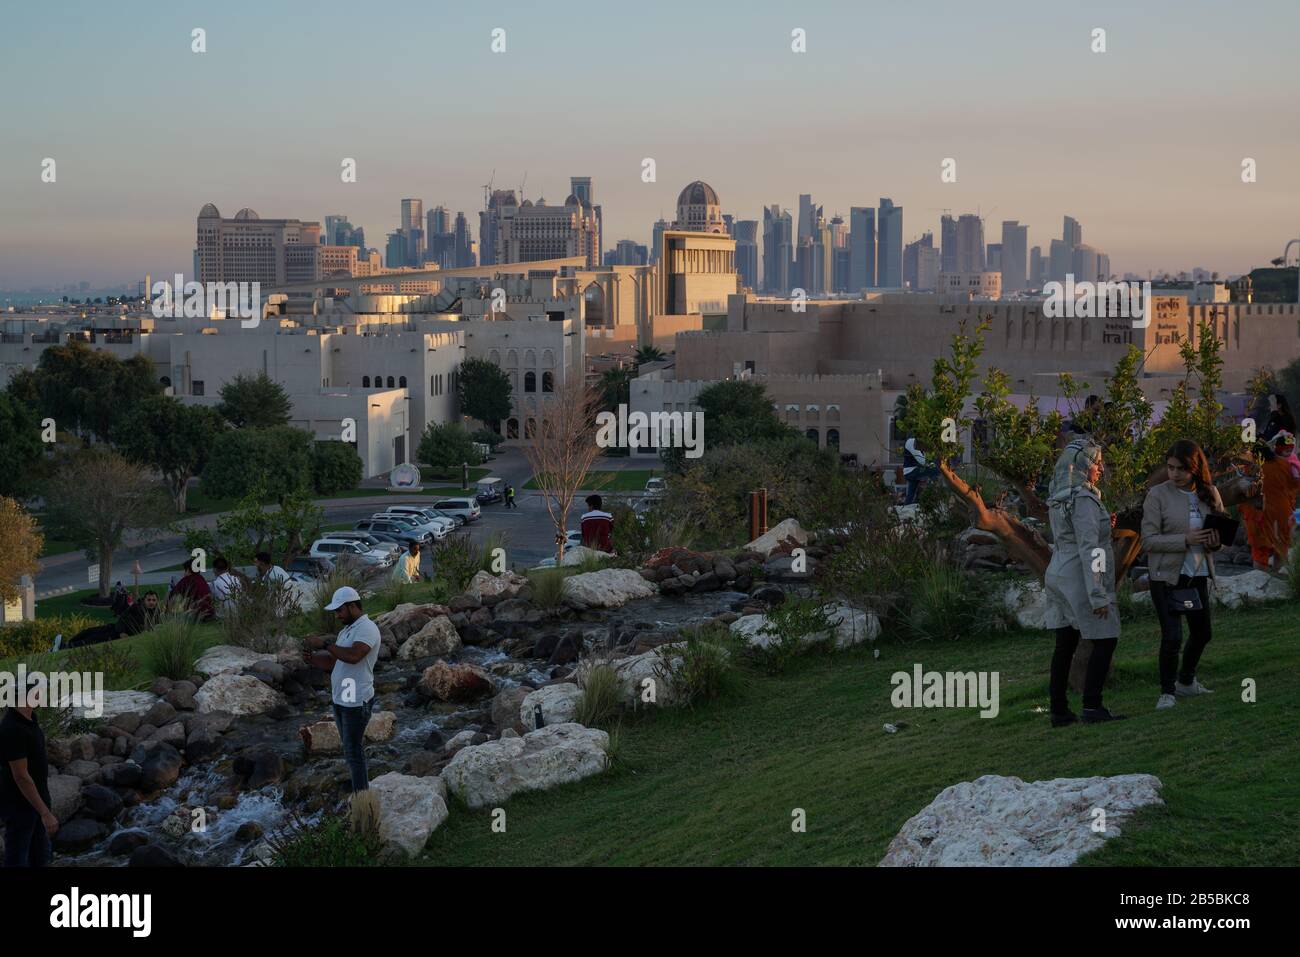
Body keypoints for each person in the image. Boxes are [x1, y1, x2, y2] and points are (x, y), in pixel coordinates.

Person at [1042, 439, 1124, 726]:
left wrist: (1103, 525)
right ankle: (1092, 705)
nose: (1100, 468)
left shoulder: (1059, 496)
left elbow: (1073, 534)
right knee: (1106, 636)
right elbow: (1091, 549)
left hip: (1057, 572)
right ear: (1083, 465)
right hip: (1078, 575)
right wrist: (1098, 593)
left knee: (1065, 643)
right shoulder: (1084, 499)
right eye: (1096, 462)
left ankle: (1059, 710)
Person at [1141, 439, 1225, 711]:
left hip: (1197, 573)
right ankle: (1167, 692)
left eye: (1180, 469)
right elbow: (1148, 540)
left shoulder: (1210, 492)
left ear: (1195, 469)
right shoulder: (1157, 495)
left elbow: (1219, 535)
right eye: (1170, 467)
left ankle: (1186, 682)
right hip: (1166, 575)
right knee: (1172, 636)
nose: (1173, 473)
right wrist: (1185, 539)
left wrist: (1214, 541)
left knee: (1202, 633)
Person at [302, 587, 380, 792]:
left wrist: (325, 643)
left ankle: (361, 797)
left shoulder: (367, 628)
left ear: (353, 606)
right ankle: (359, 790)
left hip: (356, 699)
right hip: (342, 697)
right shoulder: (346, 631)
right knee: (349, 749)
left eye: (340, 610)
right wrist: (312, 659)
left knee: (353, 751)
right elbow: (334, 663)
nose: (337, 615)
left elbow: (354, 656)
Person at [1, 675, 57, 867]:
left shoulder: (30, 719)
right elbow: (21, 776)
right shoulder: (12, 728)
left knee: (40, 858)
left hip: (38, 800)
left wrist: (43, 806)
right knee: (17, 859)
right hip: (20, 807)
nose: (44, 694)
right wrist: (45, 813)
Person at [1240, 431, 1300, 571]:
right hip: (1282, 513)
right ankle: (1277, 582)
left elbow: (1242, 491)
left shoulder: (1251, 467)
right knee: (1281, 548)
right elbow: (1295, 485)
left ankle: (1260, 585)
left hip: (1259, 515)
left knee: (1260, 552)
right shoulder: (1285, 465)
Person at [902, 436, 937, 505]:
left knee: (911, 495)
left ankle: (907, 506)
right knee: (935, 470)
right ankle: (932, 495)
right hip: (911, 471)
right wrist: (933, 463)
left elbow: (925, 458)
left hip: (914, 470)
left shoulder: (920, 442)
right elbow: (922, 460)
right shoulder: (911, 442)